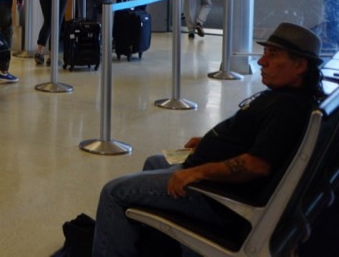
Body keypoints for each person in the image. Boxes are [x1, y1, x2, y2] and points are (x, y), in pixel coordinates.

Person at [91, 23, 325, 257]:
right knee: (154, 162)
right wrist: (208, 143)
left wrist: (196, 173)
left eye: (273, 55)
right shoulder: (288, 96)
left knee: (113, 192)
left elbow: (256, 165)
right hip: (213, 178)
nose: (262, 62)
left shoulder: (287, 108)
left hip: (217, 197)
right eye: (264, 53)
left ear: (300, 65)